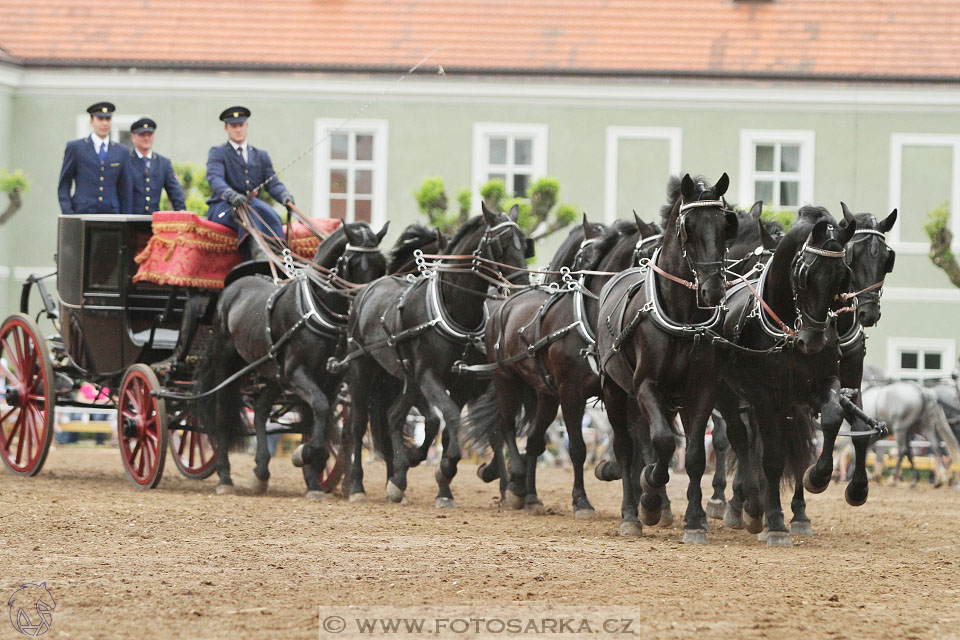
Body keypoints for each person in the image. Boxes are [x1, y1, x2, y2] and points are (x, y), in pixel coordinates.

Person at [204, 106, 295, 260]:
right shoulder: (218, 152)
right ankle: (258, 256)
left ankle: (280, 255)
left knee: (271, 214)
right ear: (226, 128)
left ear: (247, 126)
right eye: (234, 126)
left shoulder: (261, 155)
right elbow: (215, 178)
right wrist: (231, 195)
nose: (238, 129)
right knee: (247, 213)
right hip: (224, 207)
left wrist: (285, 197)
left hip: (252, 205)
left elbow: (272, 183)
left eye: (241, 125)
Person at [57, 101, 133, 215]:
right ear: (92, 121)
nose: (104, 123)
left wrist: (126, 218)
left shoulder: (122, 151)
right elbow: (64, 183)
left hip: (112, 214)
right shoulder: (76, 148)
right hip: (82, 212)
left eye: (108, 119)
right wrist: (68, 214)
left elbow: (126, 189)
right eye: (100, 119)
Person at [126, 118, 186, 214]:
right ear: (133, 137)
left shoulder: (163, 163)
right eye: (142, 135)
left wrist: (181, 210)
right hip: (130, 218)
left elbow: (174, 190)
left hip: (153, 219)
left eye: (149, 135)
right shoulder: (126, 160)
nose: (146, 138)